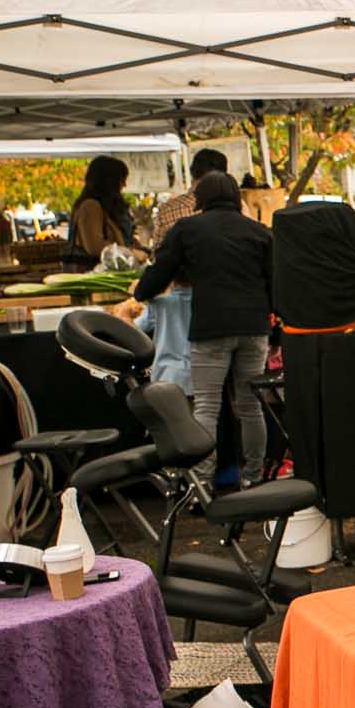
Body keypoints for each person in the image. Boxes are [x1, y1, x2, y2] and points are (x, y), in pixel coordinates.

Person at [133, 171, 273, 488]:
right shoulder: (258, 232)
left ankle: (203, 484)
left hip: (212, 327)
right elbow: (274, 282)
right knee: (251, 406)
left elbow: (161, 270)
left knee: (207, 406)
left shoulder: (187, 229)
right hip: (254, 326)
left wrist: (142, 293)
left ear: (201, 200)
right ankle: (254, 478)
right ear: (236, 198)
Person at [64, 155, 137, 270]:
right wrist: (129, 253)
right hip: (91, 273)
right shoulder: (90, 206)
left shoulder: (104, 207)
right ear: (109, 181)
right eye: (122, 180)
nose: (124, 185)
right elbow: (94, 246)